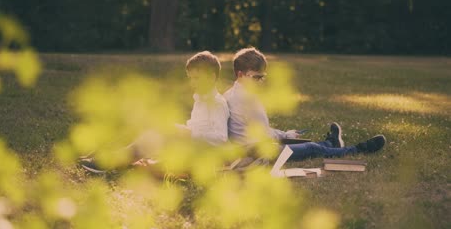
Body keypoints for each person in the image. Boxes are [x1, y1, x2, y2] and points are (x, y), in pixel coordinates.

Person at [223, 47, 386, 161]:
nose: (260, 82)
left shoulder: (230, 94)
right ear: (240, 74)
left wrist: (285, 134)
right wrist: (285, 135)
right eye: (256, 78)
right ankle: (358, 149)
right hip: (256, 154)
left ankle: (331, 144)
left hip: (248, 148)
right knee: (311, 149)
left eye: (262, 77)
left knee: (308, 145)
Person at [80, 51, 230, 173]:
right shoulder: (200, 101)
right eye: (190, 78)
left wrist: (188, 133)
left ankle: (106, 162)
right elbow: (197, 127)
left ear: (211, 77)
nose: (192, 83)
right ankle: (101, 156)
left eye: (196, 78)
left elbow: (221, 139)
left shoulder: (217, 103)